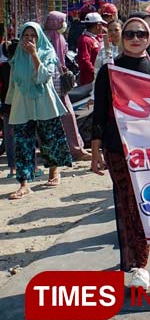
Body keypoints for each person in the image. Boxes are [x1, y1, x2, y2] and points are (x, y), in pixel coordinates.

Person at [91, 17, 150, 289]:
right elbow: (99, 114)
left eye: (141, 33)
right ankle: (139, 265)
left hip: (149, 151)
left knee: (144, 206)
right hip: (116, 148)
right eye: (129, 34)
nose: (135, 38)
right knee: (127, 204)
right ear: (121, 38)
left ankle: (139, 260)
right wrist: (94, 152)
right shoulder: (109, 72)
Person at [7, 22, 73, 199]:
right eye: (26, 36)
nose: (29, 39)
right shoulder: (17, 56)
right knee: (22, 143)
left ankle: (54, 172)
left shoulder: (48, 52)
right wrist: (8, 105)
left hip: (45, 101)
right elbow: (13, 83)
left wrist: (35, 55)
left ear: (39, 37)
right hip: (22, 104)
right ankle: (24, 183)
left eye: (33, 36)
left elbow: (43, 77)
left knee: (50, 138)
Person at [44, 11, 90, 161]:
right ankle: (75, 149)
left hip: (51, 84)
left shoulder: (47, 37)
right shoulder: (55, 38)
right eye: (62, 21)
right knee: (67, 117)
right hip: (57, 85)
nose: (64, 24)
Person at [0, 39, 18, 179]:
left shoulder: (3, 67)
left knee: (10, 138)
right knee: (26, 137)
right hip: (22, 107)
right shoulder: (24, 67)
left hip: (7, 108)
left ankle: (13, 168)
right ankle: (33, 167)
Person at [76, 12, 105, 85]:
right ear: (98, 26)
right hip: (90, 80)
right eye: (102, 25)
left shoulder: (95, 38)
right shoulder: (85, 40)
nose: (103, 27)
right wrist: (95, 72)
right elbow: (85, 60)